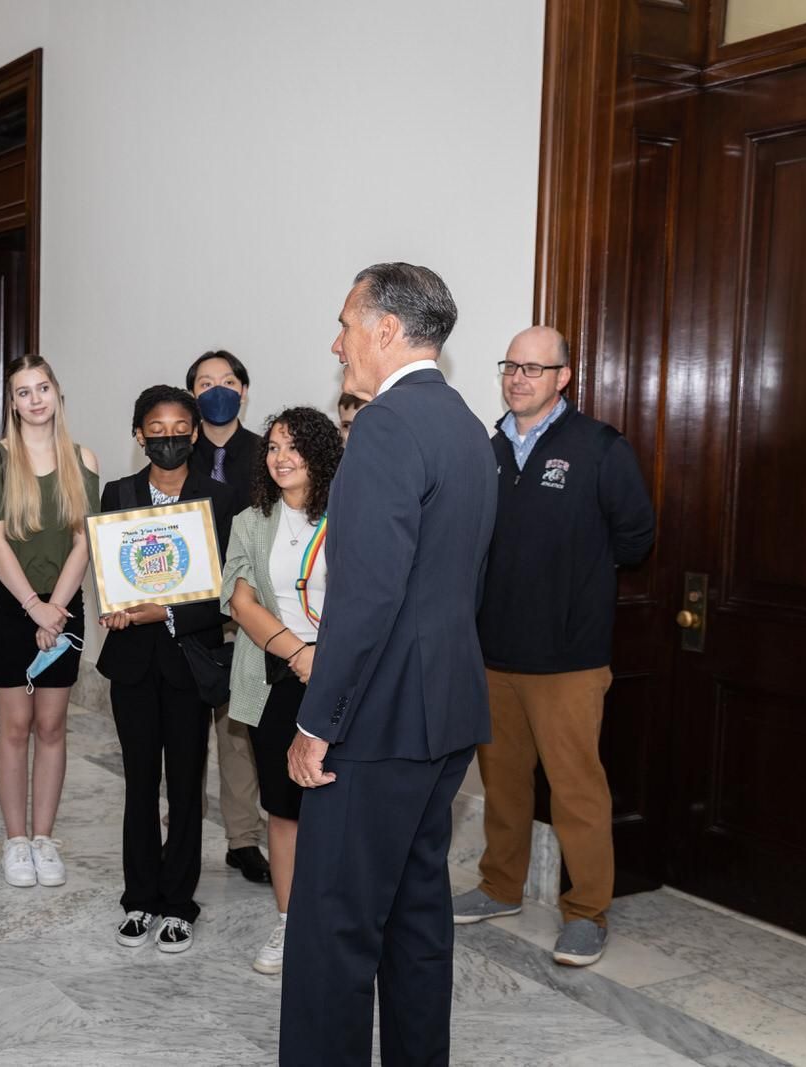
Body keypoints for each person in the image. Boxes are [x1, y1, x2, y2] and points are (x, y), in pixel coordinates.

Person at [281, 263, 497, 1066]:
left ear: (385, 330)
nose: (336, 341)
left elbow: (366, 599)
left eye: (345, 322)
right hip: (443, 714)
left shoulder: (383, 425)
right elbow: (461, 582)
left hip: (374, 724)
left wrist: (316, 724)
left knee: (332, 929)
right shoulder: (467, 426)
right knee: (415, 918)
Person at [452, 326, 655, 966]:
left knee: (576, 791)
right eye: (510, 365)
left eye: (535, 369)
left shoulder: (598, 448)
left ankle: (587, 910)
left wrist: (575, 591)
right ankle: (500, 885)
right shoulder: (486, 450)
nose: (519, 378)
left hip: (569, 659)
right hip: (493, 654)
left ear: (563, 377)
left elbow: (636, 539)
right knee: (503, 785)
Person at [97, 385, 240, 954]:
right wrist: (115, 605)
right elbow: (111, 572)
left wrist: (169, 611)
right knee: (138, 785)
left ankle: (179, 904)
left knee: (185, 785)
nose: (170, 438)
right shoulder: (118, 494)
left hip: (189, 662)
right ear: (139, 435)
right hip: (132, 663)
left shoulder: (221, 499)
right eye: (157, 429)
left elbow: (228, 589)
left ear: (196, 432)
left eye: (181, 427)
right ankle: (139, 899)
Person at [220, 406, 342, 974]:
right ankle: (290, 924)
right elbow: (241, 603)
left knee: (341, 806)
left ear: (320, 454)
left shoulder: (349, 513)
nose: (280, 458)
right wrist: (299, 654)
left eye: (293, 446)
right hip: (280, 678)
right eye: (272, 447)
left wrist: (326, 659)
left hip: (346, 677)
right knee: (285, 808)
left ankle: (340, 921)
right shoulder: (250, 521)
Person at [0, 356, 99, 888]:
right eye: (23, 392)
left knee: (51, 726)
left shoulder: (82, 458)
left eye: (43, 387)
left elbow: (84, 540)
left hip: (63, 605)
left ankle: (44, 839)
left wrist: (57, 609)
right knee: (16, 728)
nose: (35, 399)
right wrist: (33, 607)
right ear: (13, 404)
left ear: (57, 393)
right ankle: (16, 841)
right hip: (13, 603)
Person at [185, 349, 271, 884]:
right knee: (185, 728)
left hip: (249, 611)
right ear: (191, 393)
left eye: (227, 380)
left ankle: (243, 839)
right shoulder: (175, 451)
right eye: (204, 382)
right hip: (188, 612)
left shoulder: (268, 454)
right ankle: (183, 828)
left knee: (239, 729)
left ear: (243, 389)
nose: (217, 389)